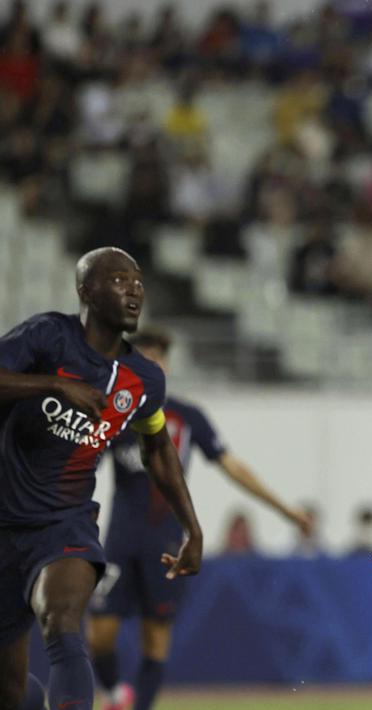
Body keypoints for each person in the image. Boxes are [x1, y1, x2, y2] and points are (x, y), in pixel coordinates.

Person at [0, 247, 202, 710]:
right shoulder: (48, 336)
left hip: (64, 525)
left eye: (138, 282)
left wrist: (191, 526)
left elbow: (158, 449)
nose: (134, 290)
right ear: (86, 290)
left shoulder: (144, 380)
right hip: (6, 524)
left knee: (62, 618)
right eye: (119, 280)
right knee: (10, 692)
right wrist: (53, 384)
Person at [87, 328, 313, 710]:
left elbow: (233, 466)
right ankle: (113, 694)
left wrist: (285, 509)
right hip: (120, 541)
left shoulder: (187, 417)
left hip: (169, 542)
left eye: (158, 357)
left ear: (168, 365)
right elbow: (82, 461)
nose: (152, 364)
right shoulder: (115, 414)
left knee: (155, 638)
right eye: (144, 357)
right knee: (99, 635)